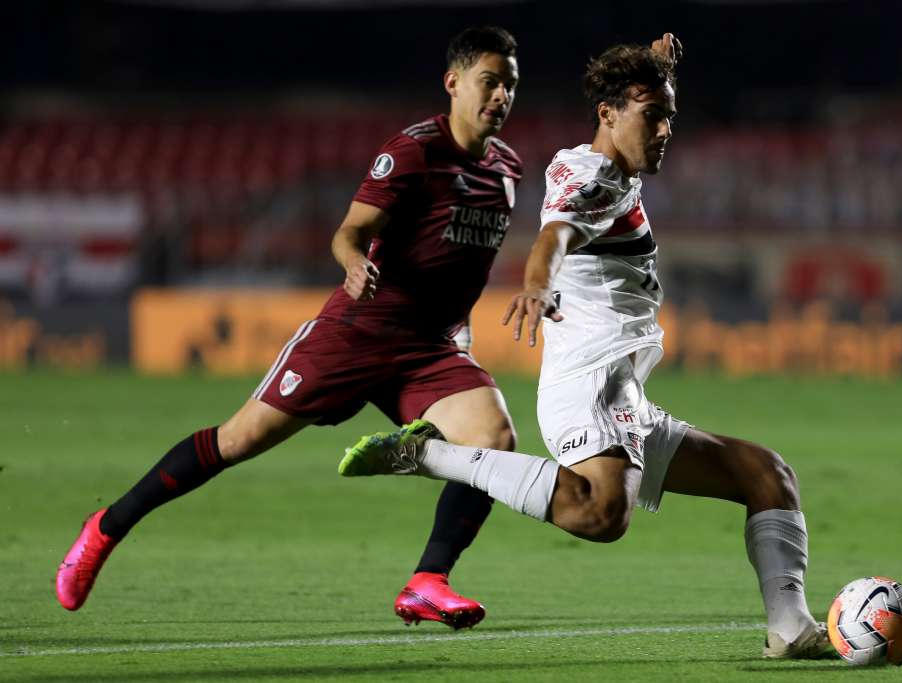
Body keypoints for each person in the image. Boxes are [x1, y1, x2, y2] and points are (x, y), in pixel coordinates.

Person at [339, 34, 833, 658]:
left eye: (669, 116)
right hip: (591, 385)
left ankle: (789, 630)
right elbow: (555, 235)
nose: (664, 131)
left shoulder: (610, 172)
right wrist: (538, 285)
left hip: (623, 389)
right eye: (652, 116)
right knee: (602, 516)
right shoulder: (593, 176)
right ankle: (427, 457)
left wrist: (655, 72)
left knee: (768, 475)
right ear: (608, 114)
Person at [57, 25, 523, 630]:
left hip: (428, 349)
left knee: (493, 441)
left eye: (510, 85)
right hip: (356, 334)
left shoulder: (508, 169)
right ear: (454, 83)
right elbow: (349, 232)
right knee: (237, 442)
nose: (501, 96)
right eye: (490, 82)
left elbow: (462, 266)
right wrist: (355, 262)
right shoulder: (414, 150)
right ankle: (104, 529)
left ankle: (427, 582)